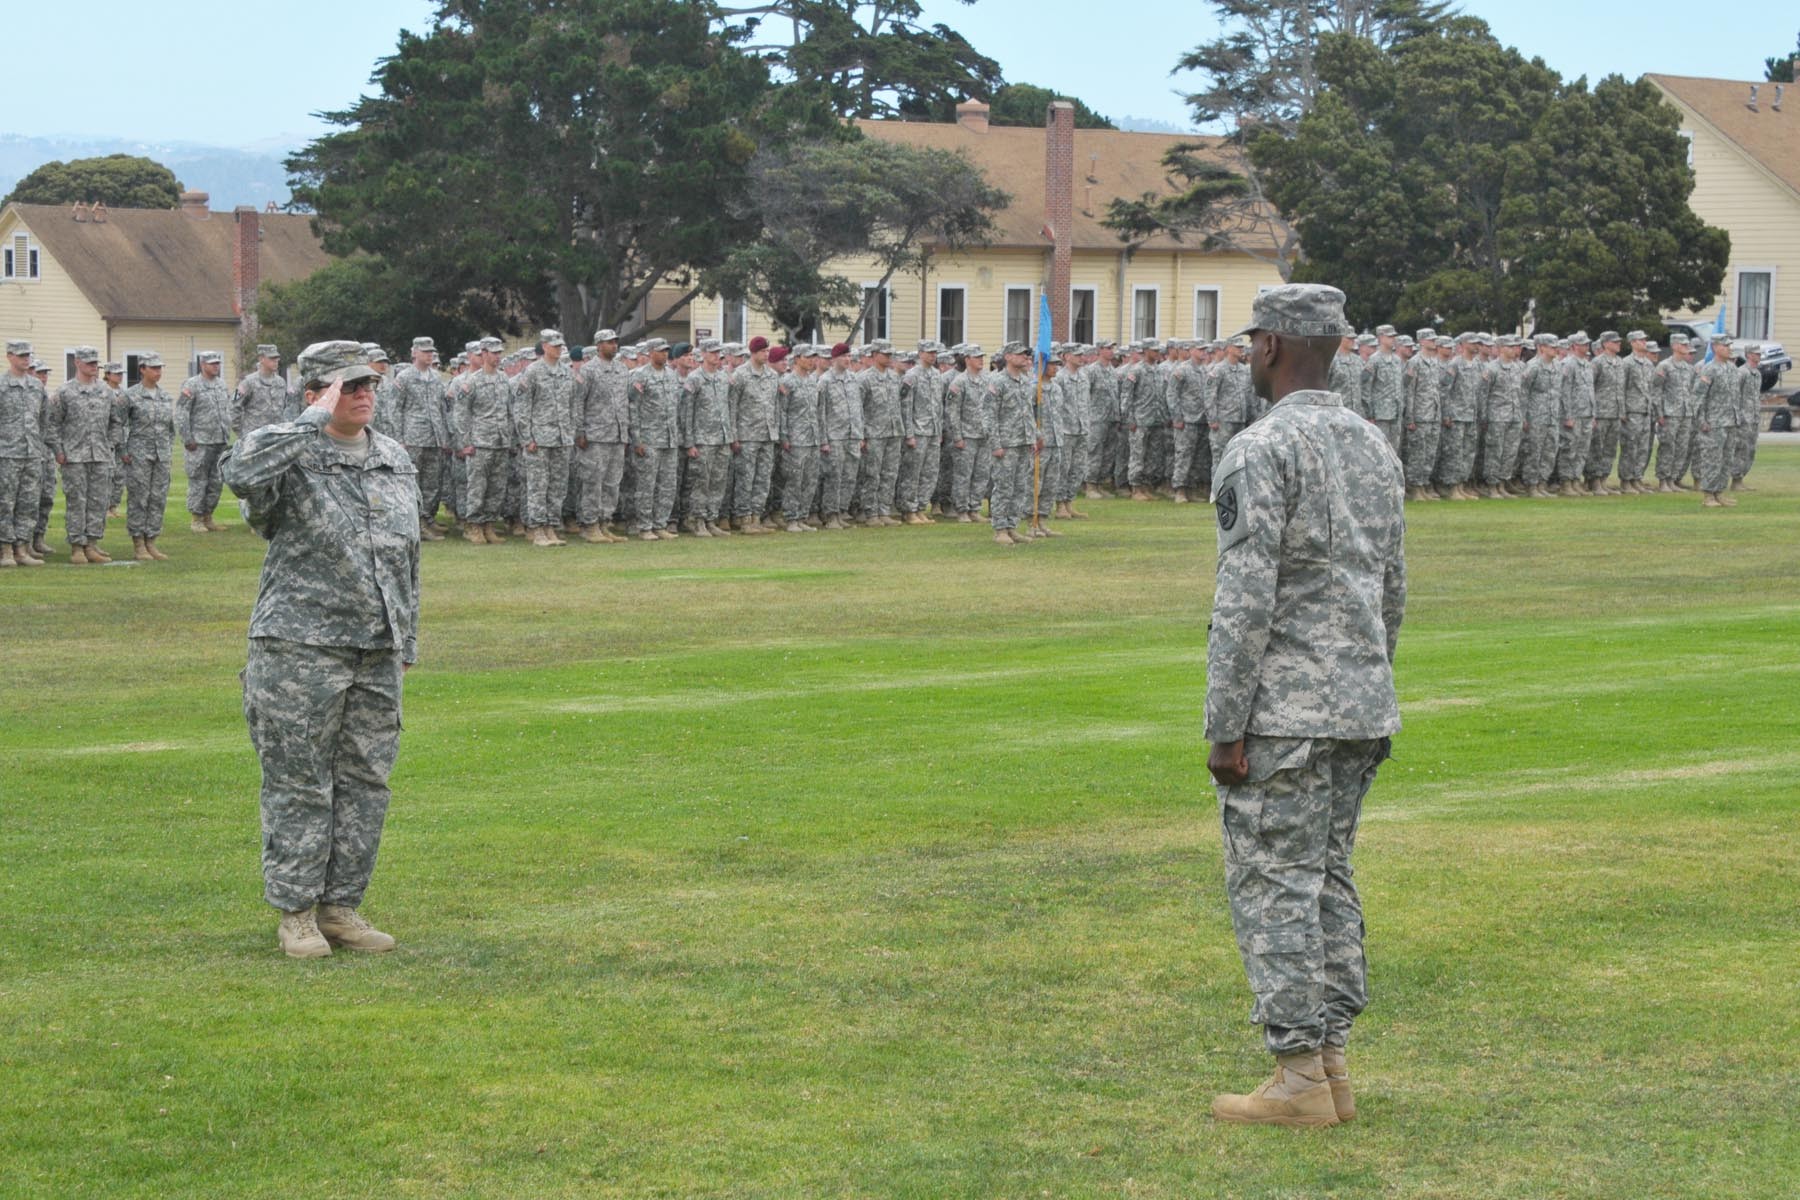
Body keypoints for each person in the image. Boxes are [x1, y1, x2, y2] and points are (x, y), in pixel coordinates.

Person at [1205, 283, 1405, 1129]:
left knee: (1276, 881)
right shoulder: (1372, 446)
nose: (1249, 354)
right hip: (1360, 701)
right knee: (1327, 877)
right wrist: (1370, 677)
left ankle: (1296, 1077)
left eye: (1254, 341)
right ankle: (1330, 1066)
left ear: (1277, 346)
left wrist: (1225, 724)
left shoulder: (1263, 448)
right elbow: (1392, 588)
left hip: (1284, 709)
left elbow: (1245, 599)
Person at [220, 340, 420, 959]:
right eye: (348, 386)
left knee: (365, 782)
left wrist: (405, 634)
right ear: (315, 394)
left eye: (370, 385)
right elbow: (239, 472)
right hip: (299, 646)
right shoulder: (291, 456)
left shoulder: (392, 457)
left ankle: (340, 907)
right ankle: (296, 912)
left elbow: (405, 555)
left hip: (375, 648)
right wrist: (310, 420)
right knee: (300, 781)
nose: (364, 394)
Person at [48, 345, 124, 562]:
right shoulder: (64, 392)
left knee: (98, 502)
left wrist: (110, 444)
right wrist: (59, 450)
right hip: (74, 457)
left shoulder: (106, 391)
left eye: (95, 363)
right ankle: (77, 547)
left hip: (100, 455)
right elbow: (52, 424)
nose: (93, 367)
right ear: (77, 363)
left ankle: (92, 543)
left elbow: (116, 421)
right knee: (77, 501)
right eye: (89, 363)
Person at [120, 351, 177, 561]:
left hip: (161, 455)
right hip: (138, 455)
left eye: (160, 368)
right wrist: (124, 451)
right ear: (142, 369)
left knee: (157, 498)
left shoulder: (164, 396)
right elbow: (120, 424)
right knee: (139, 498)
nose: (157, 372)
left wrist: (168, 448)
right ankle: (138, 543)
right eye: (153, 368)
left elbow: (170, 428)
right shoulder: (130, 396)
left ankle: (151, 540)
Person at [0, 340, 48, 567]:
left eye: (28, 355)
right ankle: (6, 549)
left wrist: (38, 446)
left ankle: (21, 548)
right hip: (6, 454)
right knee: (5, 503)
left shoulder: (36, 386)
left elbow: (44, 419)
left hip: (32, 454)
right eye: (20, 355)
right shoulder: (1, 384)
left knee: (28, 503)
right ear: (9, 356)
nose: (25, 359)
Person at [178, 350, 233, 532]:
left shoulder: (221, 385)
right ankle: (196, 519)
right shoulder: (192, 385)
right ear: (202, 365)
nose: (216, 366)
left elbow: (226, 410)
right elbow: (182, 413)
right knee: (198, 480)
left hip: (219, 440)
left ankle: (209, 516)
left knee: (216, 481)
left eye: (218, 363)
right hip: (200, 441)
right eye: (212, 363)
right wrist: (187, 438)